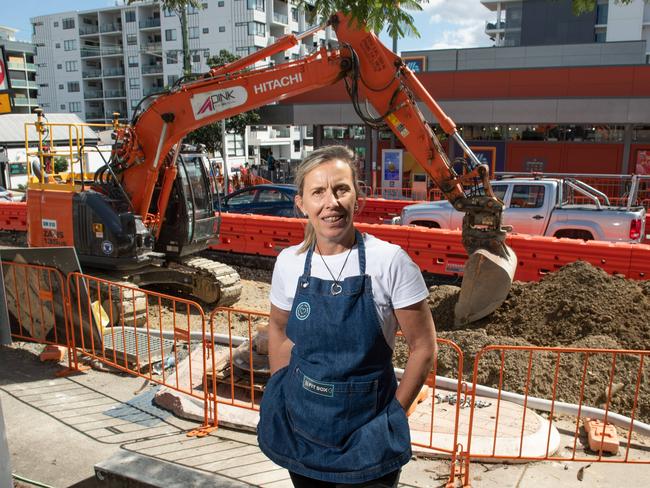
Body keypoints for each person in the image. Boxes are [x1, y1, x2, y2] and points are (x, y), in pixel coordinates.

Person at [258, 145, 437, 487]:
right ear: (302, 204)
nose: (332, 202)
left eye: (341, 189)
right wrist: (282, 393)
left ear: (358, 197)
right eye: (318, 192)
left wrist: (393, 415)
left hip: (368, 432)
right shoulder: (289, 263)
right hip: (304, 428)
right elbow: (279, 330)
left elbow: (423, 348)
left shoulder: (391, 262)